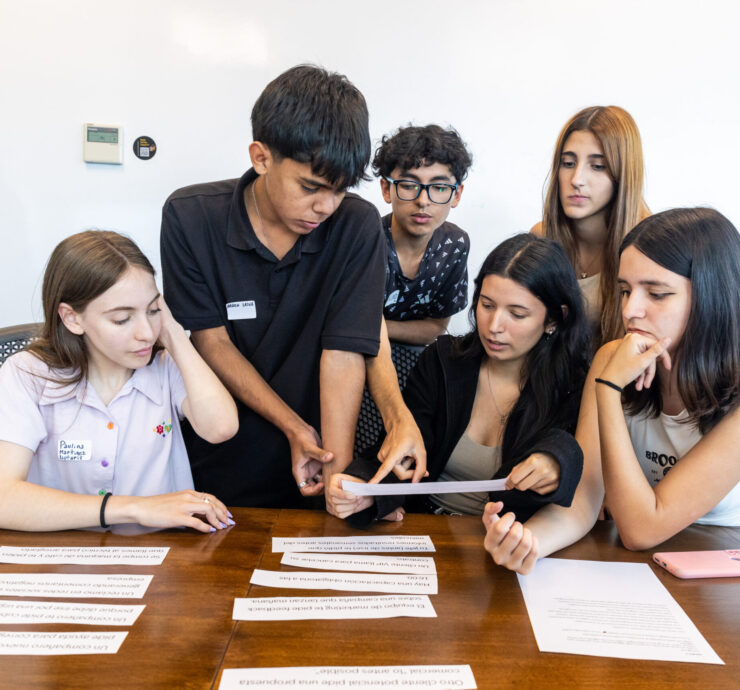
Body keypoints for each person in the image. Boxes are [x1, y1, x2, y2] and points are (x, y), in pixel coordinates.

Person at [161, 65, 424, 510]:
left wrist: (336, 478)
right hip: (218, 454)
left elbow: (343, 354)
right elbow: (211, 341)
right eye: (310, 187)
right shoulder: (191, 216)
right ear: (261, 157)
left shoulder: (355, 225)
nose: (325, 206)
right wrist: (292, 427)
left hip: (317, 456)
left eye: (339, 190)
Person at [483, 208, 740, 573]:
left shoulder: (613, 374)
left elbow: (641, 529)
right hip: (636, 570)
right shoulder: (612, 359)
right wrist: (527, 542)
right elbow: (582, 502)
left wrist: (607, 389)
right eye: (625, 290)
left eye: (657, 293)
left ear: (710, 297)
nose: (631, 310)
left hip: (717, 573)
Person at [327, 233, 590, 526]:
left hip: (511, 536)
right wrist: (365, 490)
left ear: (554, 319)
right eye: (487, 305)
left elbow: (574, 460)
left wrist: (557, 462)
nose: (494, 326)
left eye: (517, 314)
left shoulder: (573, 385)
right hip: (426, 526)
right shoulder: (443, 361)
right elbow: (402, 453)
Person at [0, 231, 238, 532]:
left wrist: (174, 333)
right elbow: (4, 498)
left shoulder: (167, 365)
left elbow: (221, 428)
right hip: (62, 555)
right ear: (72, 318)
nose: (146, 334)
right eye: (122, 319)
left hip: (161, 553)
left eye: (153, 311)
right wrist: (133, 508)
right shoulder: (27, 373)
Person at [533, 106, 650, 348]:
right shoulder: (542, 237)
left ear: (622, 174)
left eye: (597, 166)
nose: (576, 179)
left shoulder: (648, 247)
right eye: (568, 163)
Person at [374, 124, 472, 346]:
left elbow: (435, 328)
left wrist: (379, 327)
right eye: (409, 185)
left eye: (439, 187)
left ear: (456, 194)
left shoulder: (454, 245)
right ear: (386, 189)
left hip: (411, 353)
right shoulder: (366, 240)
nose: (423, 201)